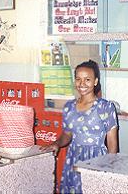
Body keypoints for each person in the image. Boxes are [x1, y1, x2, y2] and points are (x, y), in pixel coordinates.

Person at [40, 60, 118, 193]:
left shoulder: (106, 107)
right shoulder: (69, 107)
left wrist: (110, 167)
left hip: (97, 159)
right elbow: (67, 134)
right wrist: (57, 143)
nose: (82, 84)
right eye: (78, 79)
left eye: (87, 79)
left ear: (95, 81)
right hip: (73, 159)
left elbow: (112, 142)